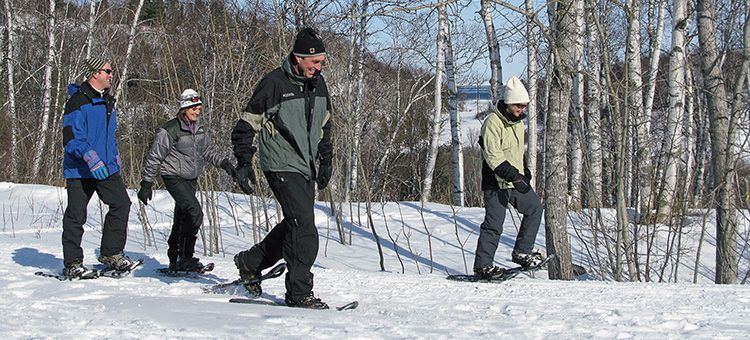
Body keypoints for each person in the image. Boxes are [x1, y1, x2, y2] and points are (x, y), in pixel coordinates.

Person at [230, 27, 333, 309]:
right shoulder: (274, 83)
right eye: (315, 62)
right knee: (306, 229)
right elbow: (245, 125)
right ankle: (299, 293)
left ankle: (250, 261)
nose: (319, 67)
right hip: (280, 163)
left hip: (306, 166)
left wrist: (327, 161)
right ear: (299, 58)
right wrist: (243, 161)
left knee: (295, 223)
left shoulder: (318, 84)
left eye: (322, 62)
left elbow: (325, 126)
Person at [138, 89, 237, 272]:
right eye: (194, 108)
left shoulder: (198, 128)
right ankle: (186, 256)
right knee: (195, 213)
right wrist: (146, 183)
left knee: (183, 217)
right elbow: (155, 156)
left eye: (199, 108)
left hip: (191, 178)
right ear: (184, 108)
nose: (197, 111)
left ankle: (175, 257)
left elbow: (207, 151)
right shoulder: (170, 130)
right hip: (173, 176)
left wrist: (225, 164)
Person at [61, 57, 135, 278]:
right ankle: (73, 263)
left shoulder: (108, 102)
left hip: (106, 168)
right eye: (108, 71)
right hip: (80, 169)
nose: (111, 75)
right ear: (95, 74)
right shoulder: (77, 102)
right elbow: (71, 138)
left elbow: (108, 137)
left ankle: (111, 254)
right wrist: (90, 157)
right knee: (76, 215)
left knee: (121, 203)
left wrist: (113, 157)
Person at [472, 76, 546, 280]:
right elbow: (493, 155)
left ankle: (522, 251)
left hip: (514, 179)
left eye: (524, 106)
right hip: (496, 183)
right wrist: (514, 175)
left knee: (534, 208)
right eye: (519, 105)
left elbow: (516, 152)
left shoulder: (517, 123)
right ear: (508, 103)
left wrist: (524, 173)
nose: (522, 109)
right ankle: (483, 266)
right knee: (494, 224)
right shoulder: (492, 123)